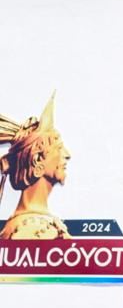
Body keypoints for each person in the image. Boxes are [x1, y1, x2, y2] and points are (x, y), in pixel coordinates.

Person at [0, 93, 71, 240]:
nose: (67, 154)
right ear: (38, 160)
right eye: (59, 148)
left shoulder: (35, 225)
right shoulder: (36, 229)